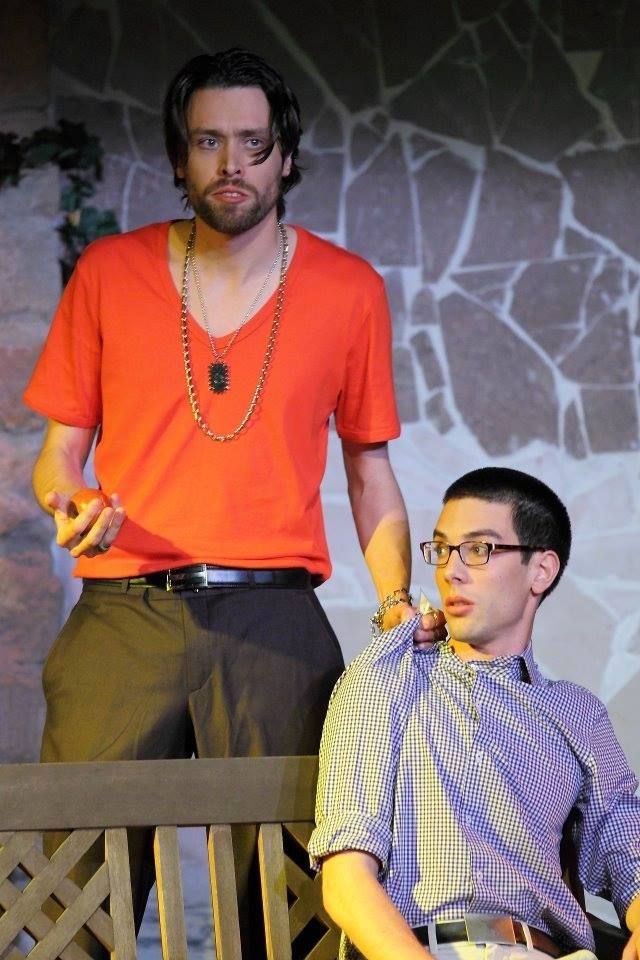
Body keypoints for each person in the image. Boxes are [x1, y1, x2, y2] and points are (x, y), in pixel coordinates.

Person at [23, 47, 443, 955]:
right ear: (180, 156)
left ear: (285, 154)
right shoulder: (109, 271)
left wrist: (394, 600)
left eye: (253, 142)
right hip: (123, 612)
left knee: (291, 901)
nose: (231, 163)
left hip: (275, 620)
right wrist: (68, 501)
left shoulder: (349, 288)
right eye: (208, 141)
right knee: (73, 898)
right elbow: (58, 455)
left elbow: (369, 470)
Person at [309, 466, 640, 960]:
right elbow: (345, 879)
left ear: (541, 571)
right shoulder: (388, 678)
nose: (451, 571)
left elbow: (626, 845)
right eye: (443, 550)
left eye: (479, 550)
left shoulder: (576, 711)